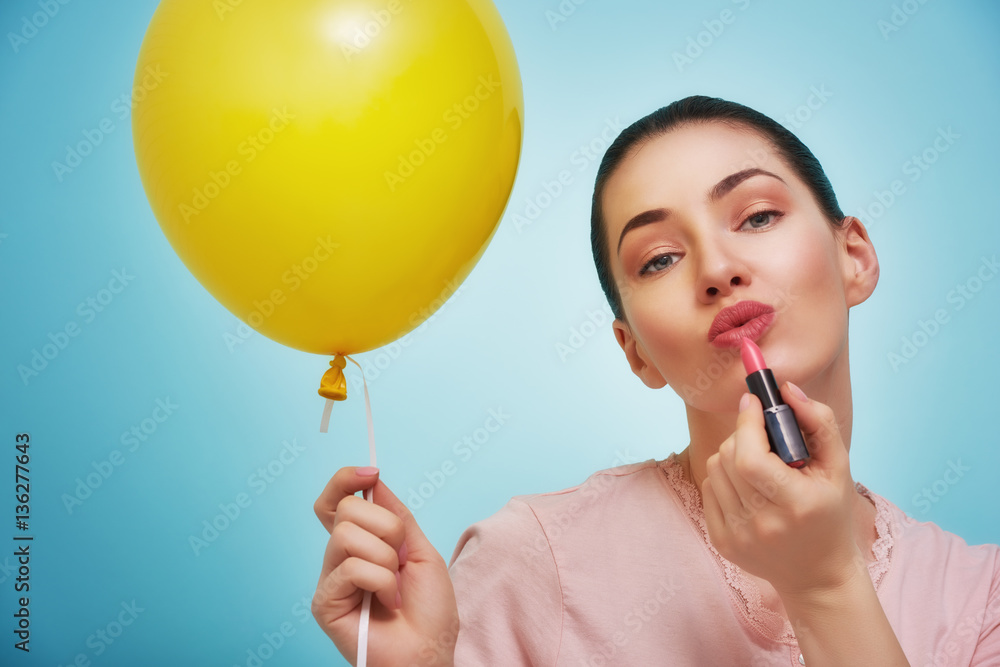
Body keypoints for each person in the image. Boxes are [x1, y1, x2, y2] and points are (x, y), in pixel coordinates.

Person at [310, 95, 1000, 666]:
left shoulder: (979, 598)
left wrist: (824, 586)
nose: (717, 268)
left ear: (854, 256)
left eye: (758, 216)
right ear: (634, 350)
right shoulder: (535, 555)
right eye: (660, 258)